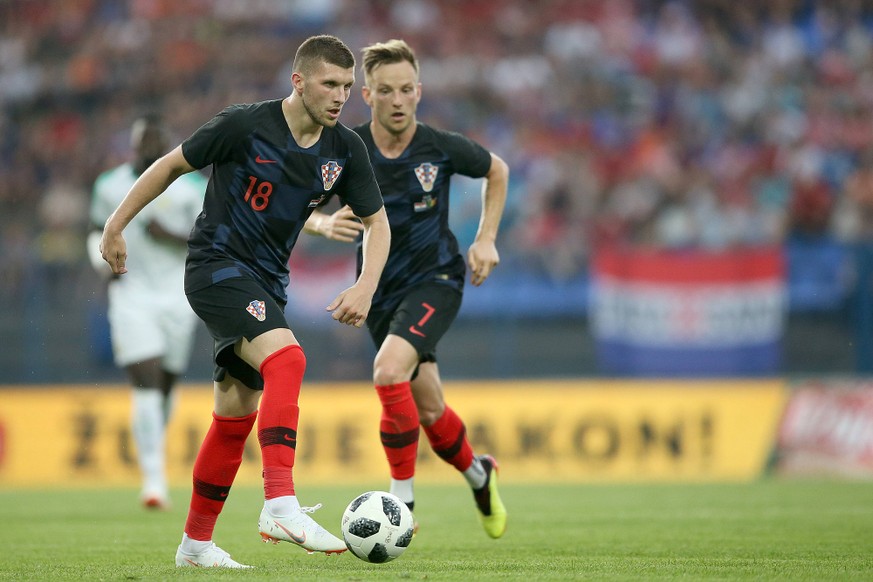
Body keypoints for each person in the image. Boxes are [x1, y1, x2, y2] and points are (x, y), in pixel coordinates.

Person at [99, 34, 390, 569]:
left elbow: (377, 221)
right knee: (289, 359)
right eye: (329, 83)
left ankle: (195, 545)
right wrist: (117, 225)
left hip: (266, 281)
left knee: (234, 414)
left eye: (347, 86)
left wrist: (366, 282)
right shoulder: (244, 124)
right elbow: (169, 166)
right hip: (215, 268)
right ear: (298, 81)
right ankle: (280, 502)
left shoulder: (345, 149)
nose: (339, 95)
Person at [305, 39, 509, 539]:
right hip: (381, 296)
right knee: (431, 410)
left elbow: (496, 170)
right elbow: (294, 203)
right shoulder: (345, 148)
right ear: (367, 95)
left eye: (406, 90)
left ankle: (401, 499)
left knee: (387, 370)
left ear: (419, 92)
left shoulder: (438, 147)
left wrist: (485, 238)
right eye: (385, 91)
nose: (398, 100)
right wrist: (322, 225)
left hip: (437, 279)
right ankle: (479, 474)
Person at [88, 114, 207, 511]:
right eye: (144, 143)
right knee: (146, 379)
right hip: (131, 291)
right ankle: (153, 481)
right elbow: (94, 232)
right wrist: (101, 263)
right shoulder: (109, 185)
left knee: (166, 384)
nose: (150, 149)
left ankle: (155, 463)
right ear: (135, 145)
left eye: (158, 143)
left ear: (167, 146)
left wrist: (169, 236)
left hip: (178, 293)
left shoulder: (193, 186)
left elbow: (209, 238)